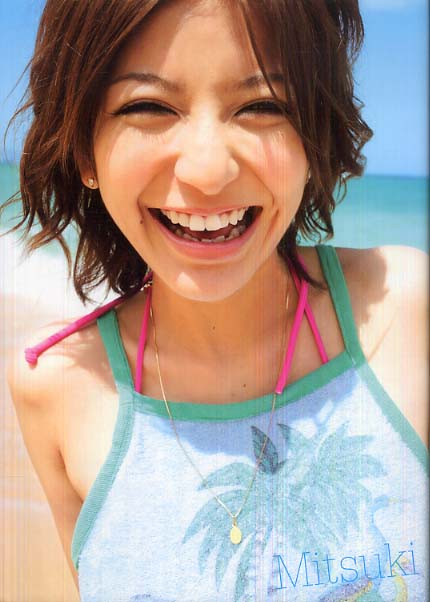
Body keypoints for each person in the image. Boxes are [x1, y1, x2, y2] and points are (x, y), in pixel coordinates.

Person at [4, 0, 428, 600]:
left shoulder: (407, 314)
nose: (207, 171)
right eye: (148, 107)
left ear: (313, 134)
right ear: (83, 151)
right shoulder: (55, 387)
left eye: (262, 106)